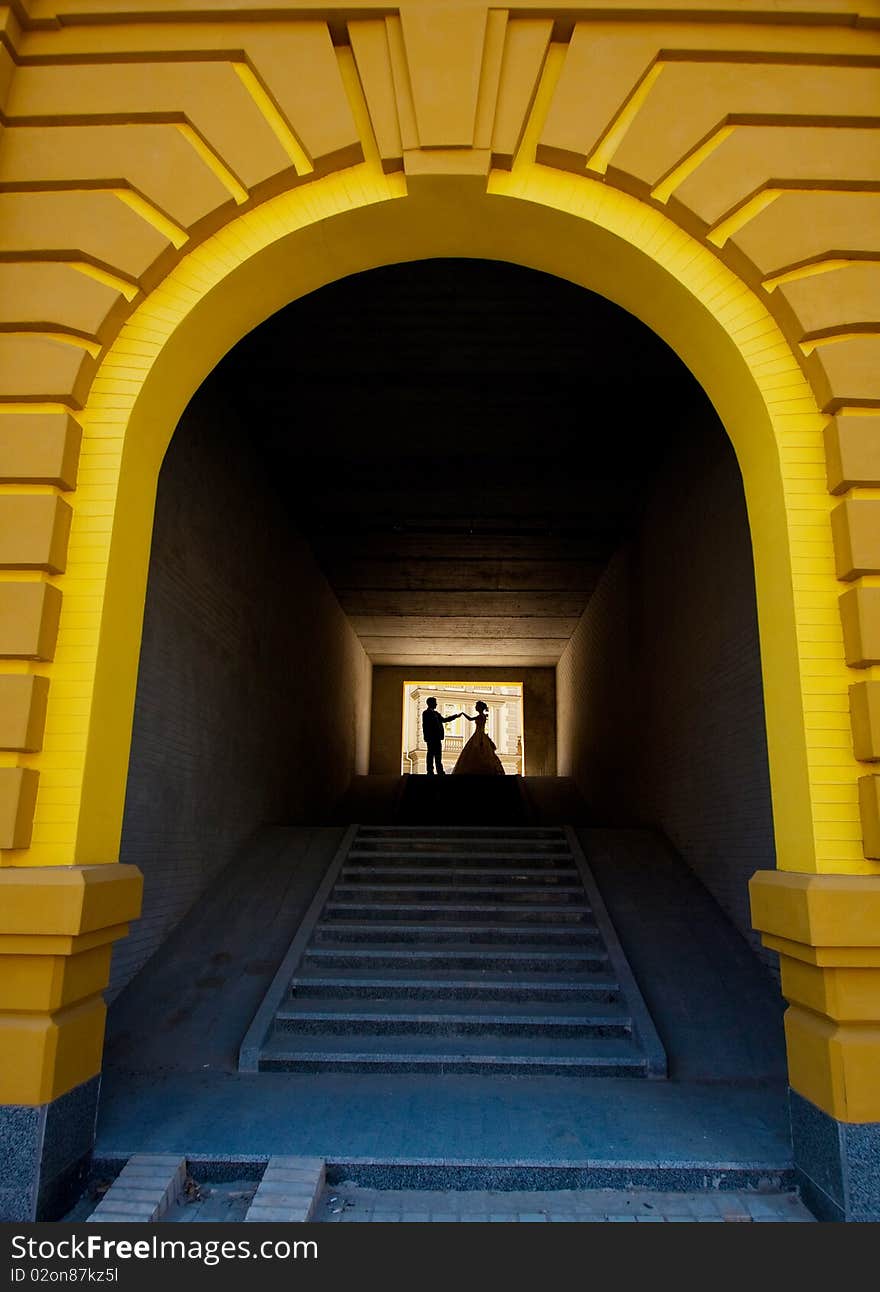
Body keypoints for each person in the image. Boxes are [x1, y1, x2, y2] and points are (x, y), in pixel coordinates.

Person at [452, 700, 505, 775]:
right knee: (482, 752)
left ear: (479, 708)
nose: (475, 707)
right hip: (480, 734)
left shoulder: (481, 716)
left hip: (479, 734)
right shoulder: (482, 716)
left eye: (476, 706)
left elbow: (470, 719)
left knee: (475, 751)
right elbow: (471, 719)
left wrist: (463, 714)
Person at [421, 696, 462, 775]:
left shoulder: (436, 713)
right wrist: (426, 736)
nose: (436, 704)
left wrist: (455, 716)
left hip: (437, 737)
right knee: (430, 754)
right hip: (431, 737)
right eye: (435, 702)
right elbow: (425, 725)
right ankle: (430, 771)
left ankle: (439, 770)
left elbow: (444, 720)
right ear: (431, 703)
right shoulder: (426, 713)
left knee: (438, 755)